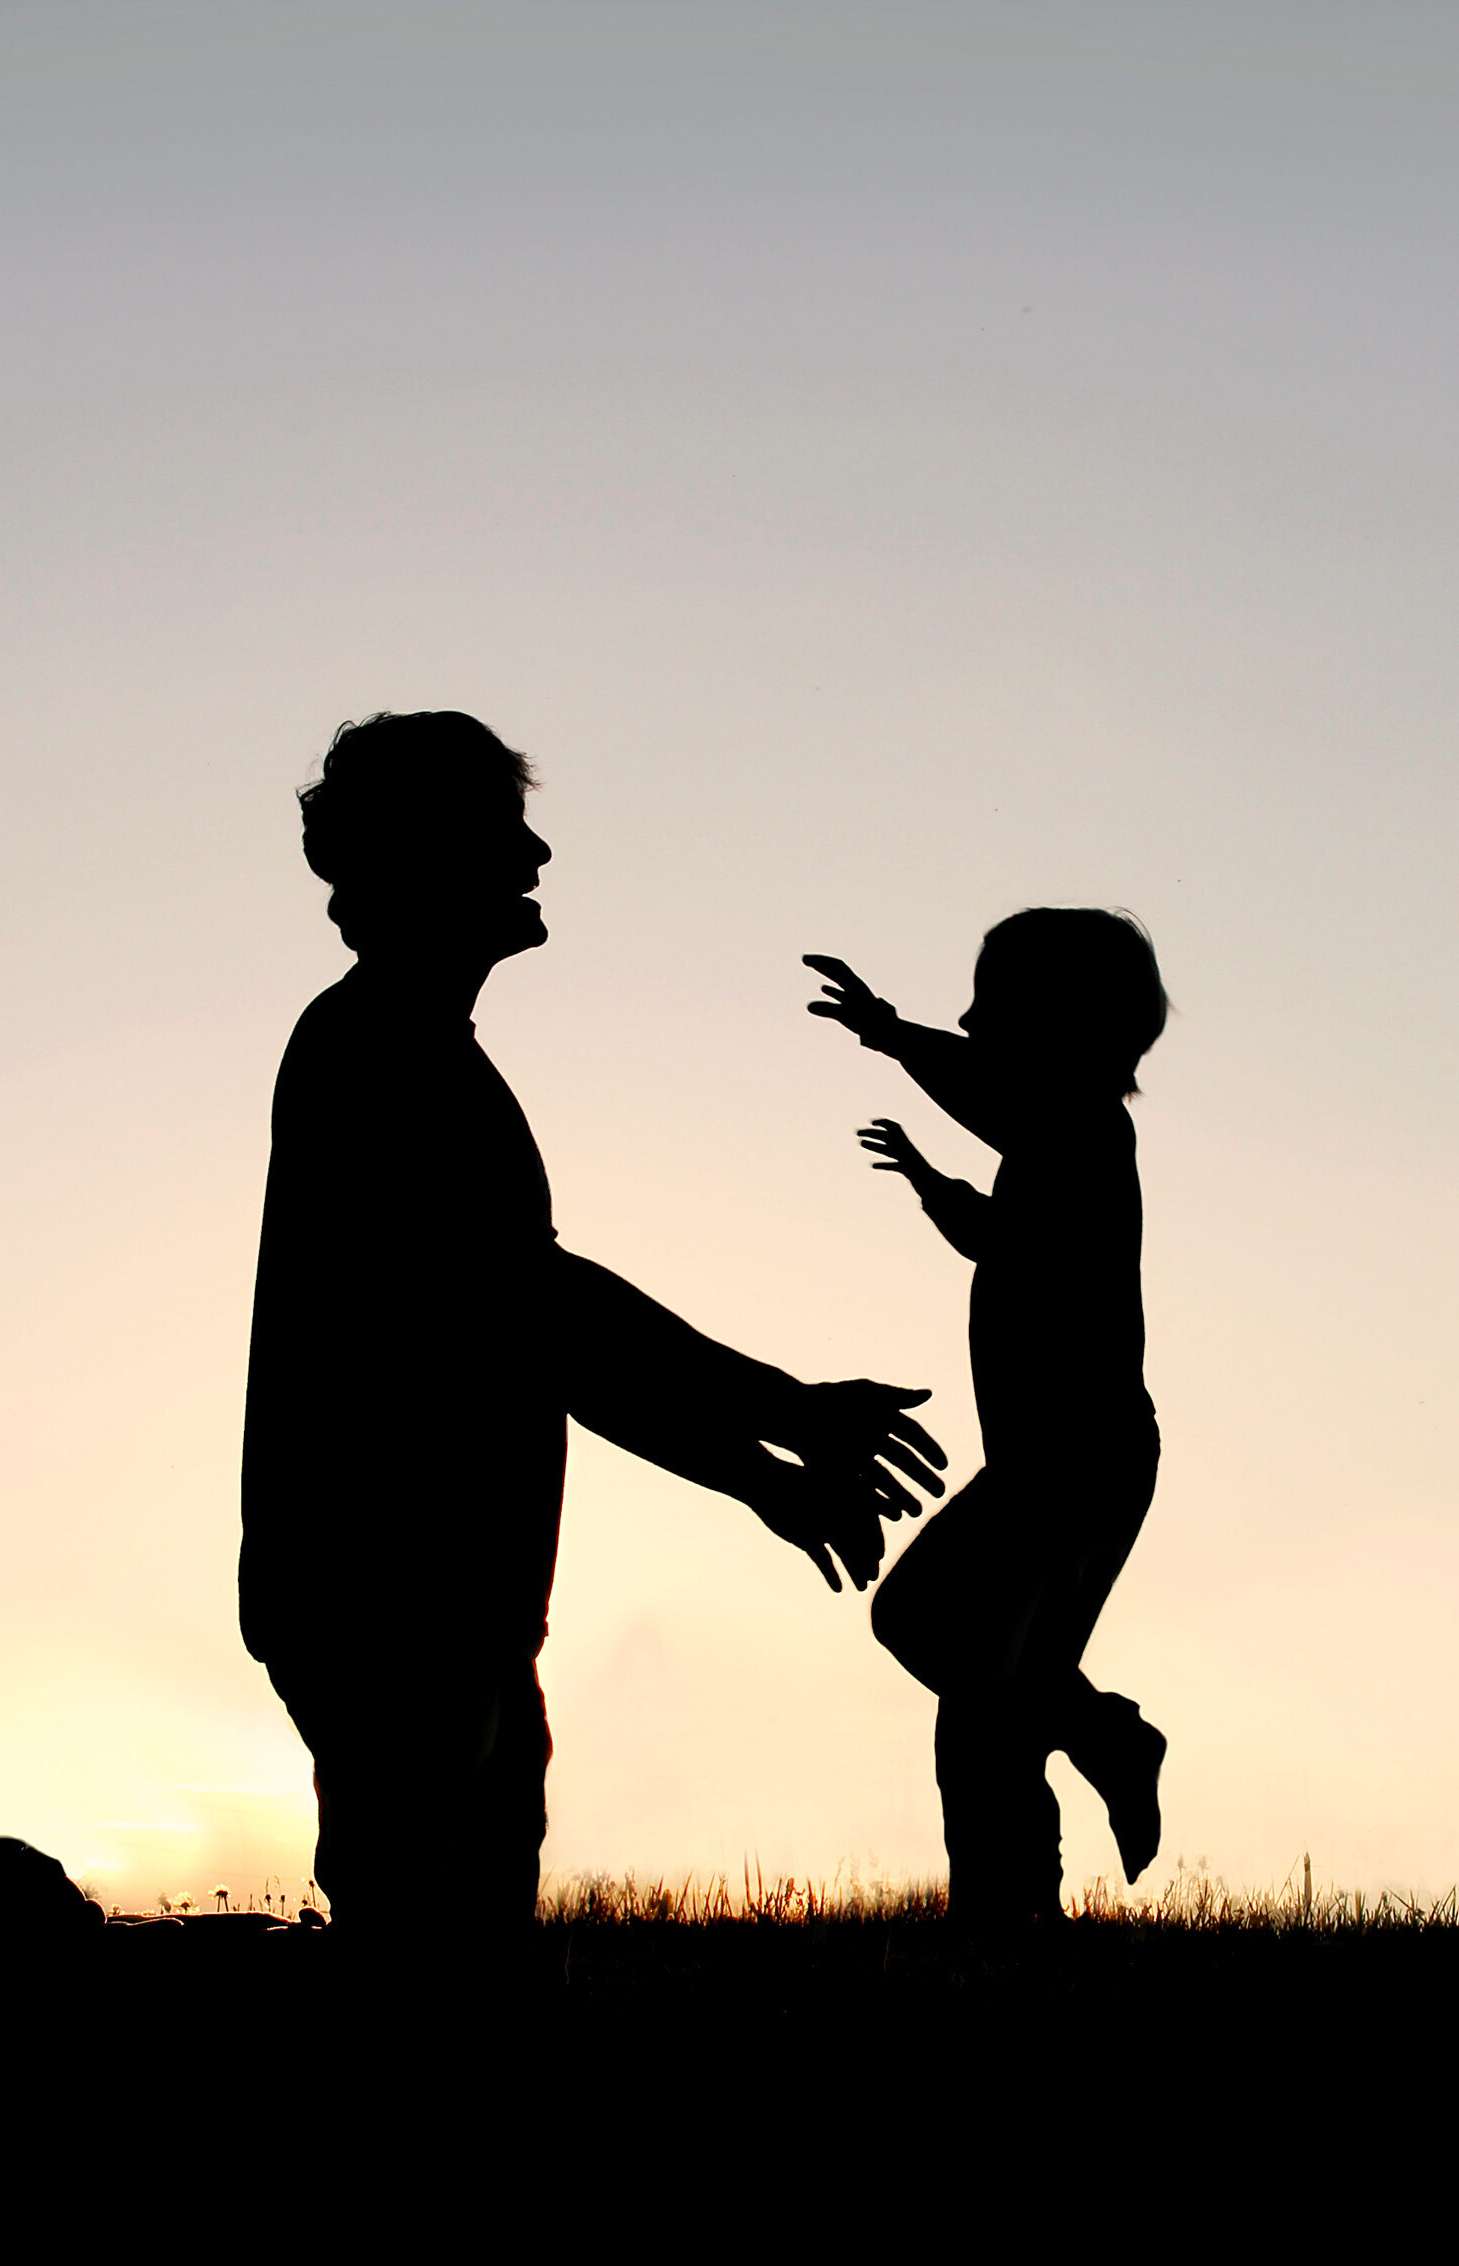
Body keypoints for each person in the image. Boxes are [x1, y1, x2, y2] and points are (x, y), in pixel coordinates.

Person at [242, 711, 944, 1969]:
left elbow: (535, 1336)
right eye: (505, 829)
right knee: (424, 1959)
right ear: (427, 851)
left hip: (447, 1601)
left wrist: (762, 1468)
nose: (540, 853)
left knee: (464, 1949)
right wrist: (780, 1418)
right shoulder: (378, 1056)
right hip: (391, 1593)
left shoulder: (413, 1055)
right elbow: (535, 1309)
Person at [805, 911, 1170, 1923]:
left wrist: (888, 1032)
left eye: (989, 1005)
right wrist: (929, 1185)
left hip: (1070, 1458)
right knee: (991, 1698)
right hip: (1084, 1457)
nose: (965, 1019)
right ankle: (1013, 1915)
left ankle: (1099, 1744)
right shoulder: (1063, 1147)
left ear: (1063, 1025)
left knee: (925, 1628)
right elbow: (999, 1236)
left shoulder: (1086, 1126)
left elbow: (1000, 1103)